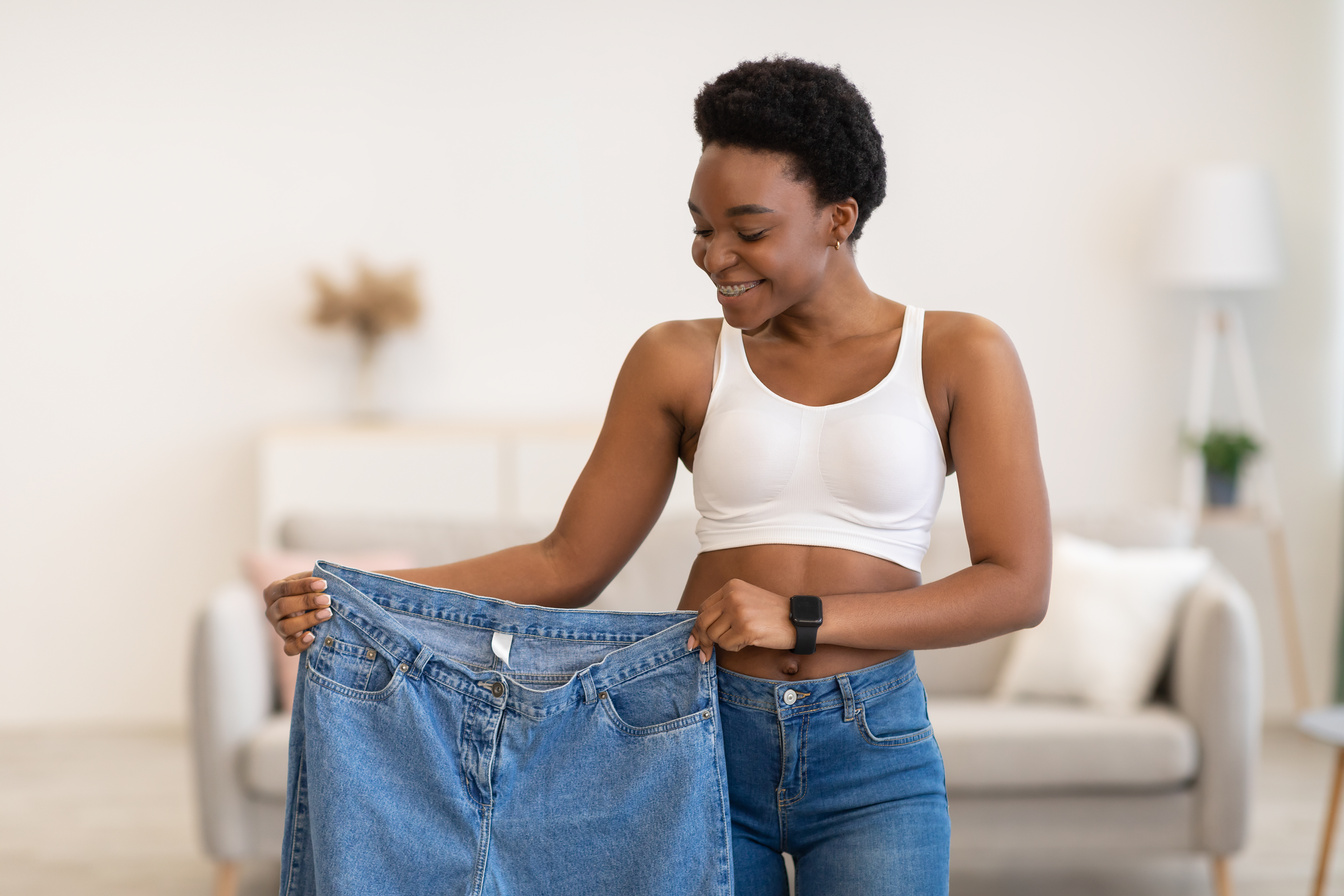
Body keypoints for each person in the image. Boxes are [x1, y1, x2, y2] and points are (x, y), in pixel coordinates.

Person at [265, 56, 1050, 895]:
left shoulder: (960, 353)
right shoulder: (676, 359)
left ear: (838, 218)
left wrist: (801, 619)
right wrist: (362, 594)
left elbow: (1017, 585)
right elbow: (566, 562)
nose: (715, 256)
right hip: (692, 732)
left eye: (748, 231)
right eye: (701, 227)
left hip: (875, 752)